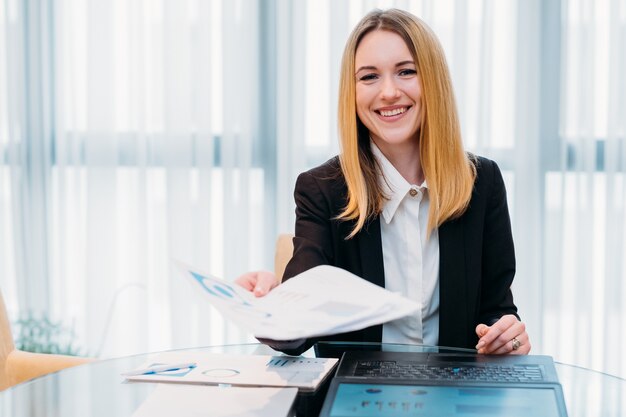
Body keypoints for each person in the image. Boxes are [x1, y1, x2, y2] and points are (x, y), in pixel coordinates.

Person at [236, 8, 530, 357]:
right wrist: (270, 309)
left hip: (454, 397)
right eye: (369, 77)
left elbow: (496, 310)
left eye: (406, 72)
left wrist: (508, 336)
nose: (388, 92)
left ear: (433, 81)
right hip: (356, 398)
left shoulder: (483, 184)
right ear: (353, 92)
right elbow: (296, 336)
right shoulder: (322, 190)